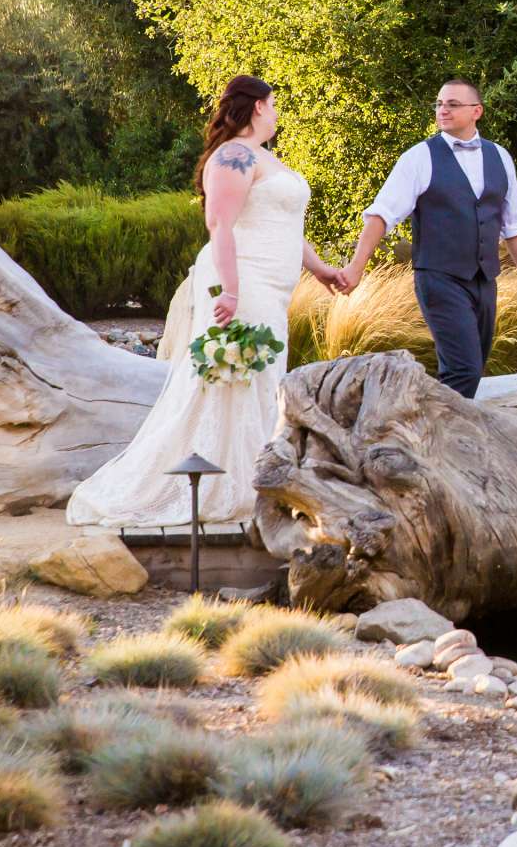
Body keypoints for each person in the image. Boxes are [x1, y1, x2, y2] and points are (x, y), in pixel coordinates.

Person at [67, 75, 348, 528]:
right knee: (240, 378)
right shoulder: (233, 156)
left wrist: (319, 269)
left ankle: (257, 479)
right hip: (243, 282)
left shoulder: (262, 158)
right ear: (257, 106)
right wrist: (232, 290)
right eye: (273, 104)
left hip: (271, 289)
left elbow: (284, 224)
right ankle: (234, 486)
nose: (277, 112)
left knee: (263, 378)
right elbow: (220, 224)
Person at [338, 77, 517, 397]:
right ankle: (432, 436)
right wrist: (356, 267)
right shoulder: (420, 157)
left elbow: (514, 225)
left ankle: (437, 434)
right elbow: (382, 214)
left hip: (484, 279)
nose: (443, 109)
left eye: (452, 104)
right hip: (439, 278)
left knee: (473, 367)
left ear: (477, 111)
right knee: (464, 368)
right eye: (439, 103)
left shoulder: (500, 157)